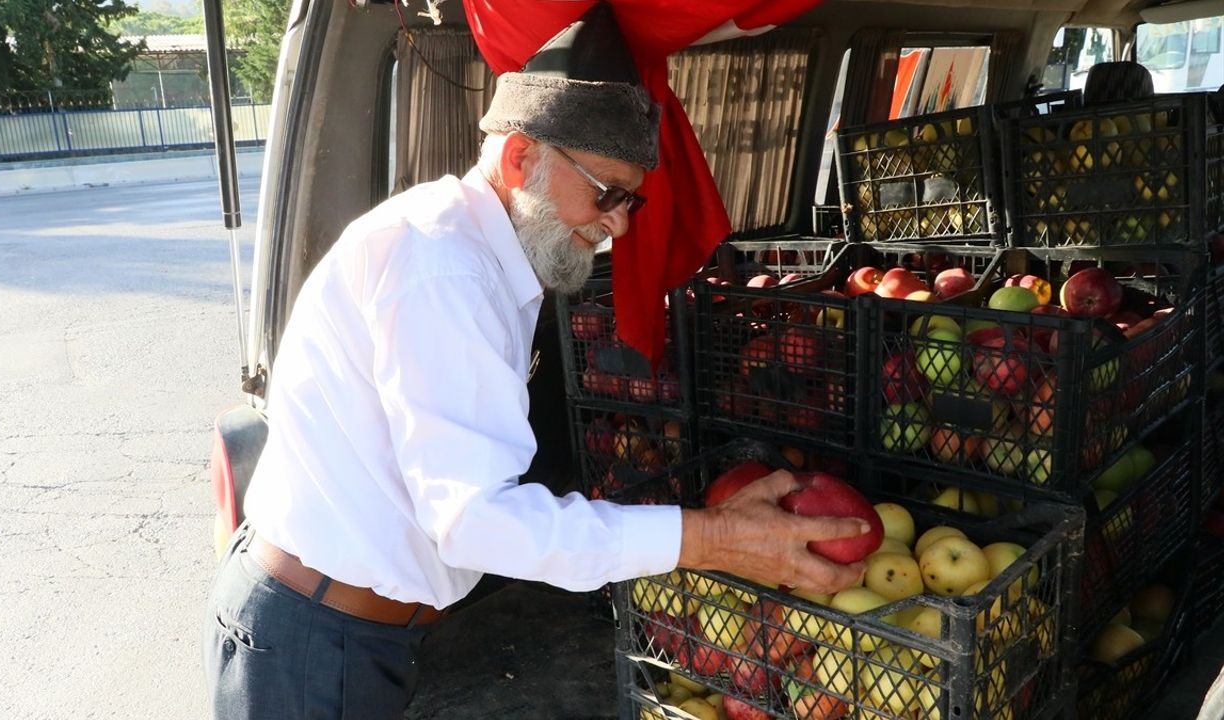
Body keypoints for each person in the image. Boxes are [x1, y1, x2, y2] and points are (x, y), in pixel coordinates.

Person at [202, 6, 870, 719]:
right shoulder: (443, 267)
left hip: (359, 631)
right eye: (605, 193)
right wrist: (714, 538)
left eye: (631, 203)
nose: (616, 224)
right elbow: (476, 521)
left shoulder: (488, 253)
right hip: (317, 642)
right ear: (519, 156)